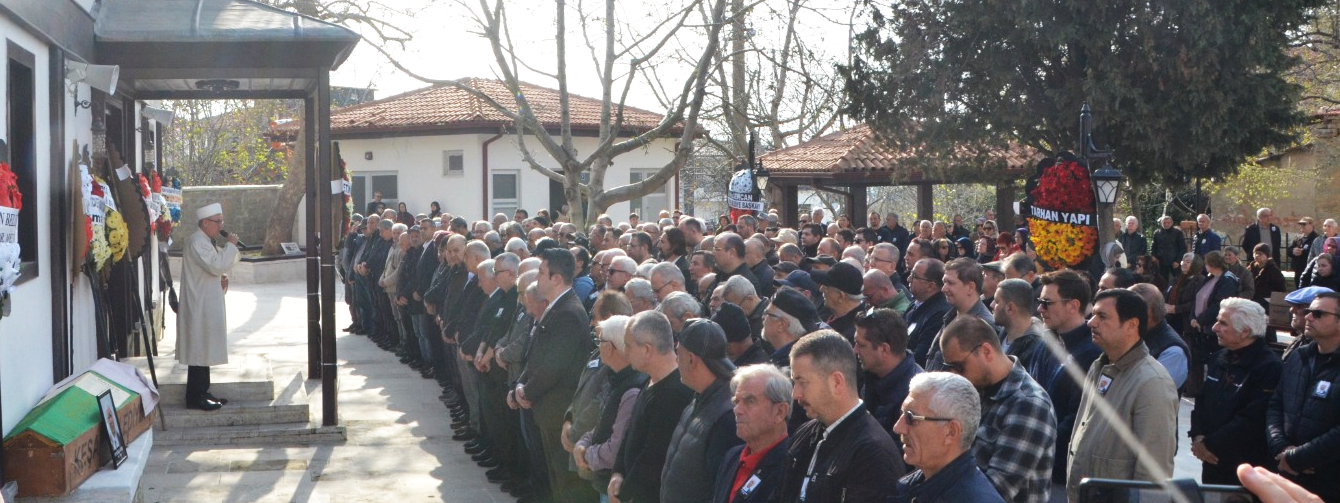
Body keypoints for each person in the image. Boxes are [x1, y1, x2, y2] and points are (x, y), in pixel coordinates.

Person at [1067, 289, 1179, 502]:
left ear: (1131, 325)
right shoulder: (1099, 366)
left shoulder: (1152, 383)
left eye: (1102, 317)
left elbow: (1154, 475)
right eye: (1093, 315)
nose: (1091, 323)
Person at [776, 331, 905, 503]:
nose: (795, 393)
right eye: (794, 382)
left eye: (802, 382)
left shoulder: (872, 454)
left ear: (836, 382)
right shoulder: (805, 433)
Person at [939, 316, 1056, 503]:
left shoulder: (1029, 404)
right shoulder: (975, 390)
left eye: (959, 366)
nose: (954, 374)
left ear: (986, 351)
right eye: (948, 367)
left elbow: (995, 491)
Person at [516, 248, 598, 503]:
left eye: (541, 272)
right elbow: (537, 354)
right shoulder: (556, 307)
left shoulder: (568, 312)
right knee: (556, 478)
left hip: (558, 409)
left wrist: (526, 392)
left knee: (566, 481)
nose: (537, 278)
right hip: (548, 408)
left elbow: (554, 365)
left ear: (556, 278)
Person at [1189, 298, 1283, 485]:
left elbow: (1253, 418)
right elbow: (1201, 400)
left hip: (1246, 468)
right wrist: (1197, 436)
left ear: (1245, 332)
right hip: (1212, 460)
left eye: (1223, 323)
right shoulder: (1219, 358)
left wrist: (1209, 444)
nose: (1215, 327)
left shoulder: (1269, 366)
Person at [609, 311, 695, 503]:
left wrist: (626, 493)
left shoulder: (675, 393)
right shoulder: (651, 379)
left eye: (628, 346)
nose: (625, 352)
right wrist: (618, 472)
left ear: (647, 349)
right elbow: (631, 430)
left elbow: (655, 457)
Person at [1265, 291, 1340, 500]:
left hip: (1329, 481)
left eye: (1318, 313)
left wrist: (1300, 457)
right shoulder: (1299, 356)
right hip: (1288, 473)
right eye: (1308, 311)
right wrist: (1282, 447)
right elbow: (1276, 404)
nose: (1307, 317)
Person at [1033, 269, 1101, 497]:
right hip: (1037, 468)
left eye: (1046, 303)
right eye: (1039, 301)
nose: (1040, 309)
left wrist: (1036, 444)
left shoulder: (1091, 354)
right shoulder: (1046, 342)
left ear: (1073, 306)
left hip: (1061, 474)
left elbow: (1076, 418)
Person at [661, 320, 742, 503]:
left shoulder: (727, 417)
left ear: (691, 359)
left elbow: (719, 489)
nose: (675, 359)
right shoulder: (700, 396)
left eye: (678, 353)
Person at [890, 373, 1005, 503]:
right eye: (902, 414)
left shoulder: (975, 498)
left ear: (951, 432)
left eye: (910, 418)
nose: (898, 428)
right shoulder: (914, 486)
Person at [177, 203, 241, 411]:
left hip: (206, 301)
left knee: (204, 347)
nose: (221, 225)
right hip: (198, 305)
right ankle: (195, 396)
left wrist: (222, 281)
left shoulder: (207, 241)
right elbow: (215, 265)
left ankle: (203, 391)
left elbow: (216, 268)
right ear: (205, 223)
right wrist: (231, 245)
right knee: (198, 348)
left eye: (221, 221)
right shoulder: (197, 241)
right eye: (218, 221)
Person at [713, 364, 792, 503]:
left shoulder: (792, 467)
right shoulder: (732, 456)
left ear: (780, 412)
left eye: (750, 401)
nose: (737, 410)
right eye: (736, 402)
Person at [853, 308, 924, 436]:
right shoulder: (873, 375)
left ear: (884, 349)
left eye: (861, 345)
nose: (855, 350)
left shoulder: (914, 395)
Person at [924, 258, 995, 371]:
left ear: (971, 287)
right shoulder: (950, 317)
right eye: (944, 282)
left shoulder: (983, 326)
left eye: (950, 283)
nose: (943, 289)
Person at [1188, 250, 1241, 397]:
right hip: (1202, 327)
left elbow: (1218, 305)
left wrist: (1200, 319)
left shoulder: (1227, 280)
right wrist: (1193, 318)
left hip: (1215, 327)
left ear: (1212, 264)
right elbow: (1197, 298)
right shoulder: (1209, 278)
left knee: (1216, 361)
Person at [1129, 283, 1190, 390]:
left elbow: (1153, 392)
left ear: (1148, 313)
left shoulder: (1173, 351)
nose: (1124, 316)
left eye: (1129, 311)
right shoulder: (1136, 334)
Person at [992, 279, 1047, 376]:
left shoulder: (1035, 347)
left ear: (1010, 308)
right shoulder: (1004, 331)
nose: (991, 305)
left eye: (997, 301)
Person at [905, 259, 951, 366]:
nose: (908, 278)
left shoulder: (939, 314)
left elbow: (920, 356)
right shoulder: (915, 303)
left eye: (914, 276)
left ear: (931, 286)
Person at [1250, 243, 1287, 311]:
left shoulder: (1273, 270)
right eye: (1255, 253)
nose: (1257, 255)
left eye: (1260, 253)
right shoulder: (1252, 268)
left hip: (1267, 302)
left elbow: (1281, 288)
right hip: (1252, 301)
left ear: (1266, 255)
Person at [1150, 216, 1186, 283]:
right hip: (1161, 262)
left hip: (1174, 262)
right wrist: (1153, 256)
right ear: (1161, 223)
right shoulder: (1157, 233)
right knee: (1162, 282)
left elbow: (1182, 248)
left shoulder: (1177, 233)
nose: (1166, 224)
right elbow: (1153, 246)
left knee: (1178, 281)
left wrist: (1178, 261)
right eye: (1164, 223)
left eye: (1168, 222)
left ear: (1172, 223)